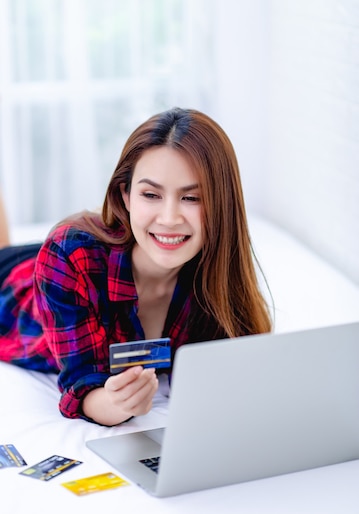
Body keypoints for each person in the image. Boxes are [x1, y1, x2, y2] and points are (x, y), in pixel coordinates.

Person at [0, 107, 272, 426]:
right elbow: (81, 386)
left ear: (222, 203)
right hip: (16, 287)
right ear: (126, 196)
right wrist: (118, 403)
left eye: (192, 198)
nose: (169, 219)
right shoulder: (70, 254)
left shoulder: (217, 267)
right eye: (151, 194)